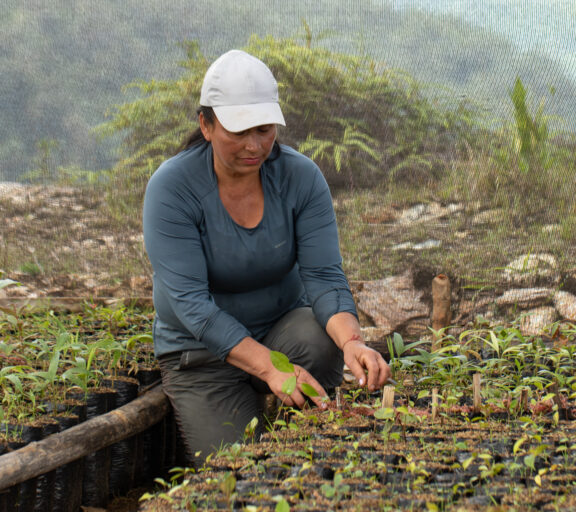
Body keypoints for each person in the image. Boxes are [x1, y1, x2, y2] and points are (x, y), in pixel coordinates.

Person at [142, 49, 391, 465]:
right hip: (201, 354)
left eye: (264, 130)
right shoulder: (172, 189)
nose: (254, 145)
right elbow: (192, 305)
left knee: (320, 338)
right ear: (206, 125)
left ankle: (295, 419)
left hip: (282, 332)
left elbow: (324, 276)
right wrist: (270, 367)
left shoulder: (299, 177)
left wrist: (353, 343)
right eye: (238, 132)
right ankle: (253, 404)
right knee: (236, 469)